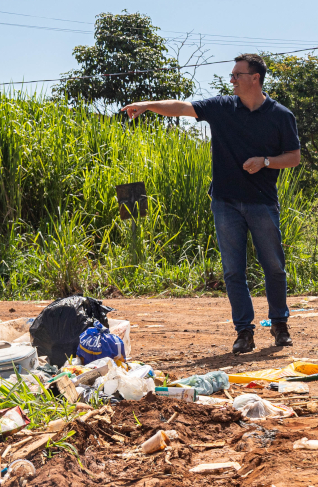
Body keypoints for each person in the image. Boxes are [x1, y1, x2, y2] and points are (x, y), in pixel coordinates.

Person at [122, 53, 301, 354]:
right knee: (233, 271)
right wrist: (147, 105)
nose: (231, 80)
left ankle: (280, 325)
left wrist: (266, 162)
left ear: (255, 78)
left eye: (237, 75)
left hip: (262, 203)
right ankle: (244, 331)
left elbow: (294, 158)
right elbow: (182, 107)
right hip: (225, 203)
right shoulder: (221, 107)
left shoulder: (281, 115)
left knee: (274, 267)